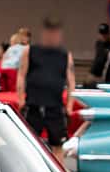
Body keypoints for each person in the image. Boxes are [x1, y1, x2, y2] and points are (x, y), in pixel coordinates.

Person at [15, 17, 73, 152]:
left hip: (55, 107)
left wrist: (69, 105)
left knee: (58, 146)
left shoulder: (65, 55)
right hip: (33, 105)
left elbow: (71, 81)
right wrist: (21, 98)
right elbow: (21, 75)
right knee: (29, 144)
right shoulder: (30, 51)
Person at [0, 26, 30, 91]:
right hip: (12, 70)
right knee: (11, 89)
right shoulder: (24, 48)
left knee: (7, 89)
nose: (22, 38)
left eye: (24, 36)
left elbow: (4, 58)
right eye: (21, 35)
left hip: (7, 69)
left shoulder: (15, 48)